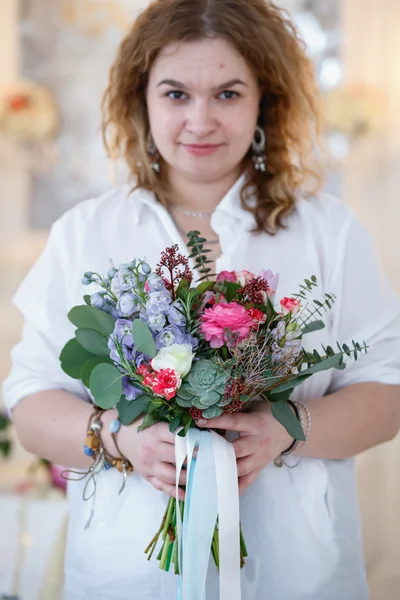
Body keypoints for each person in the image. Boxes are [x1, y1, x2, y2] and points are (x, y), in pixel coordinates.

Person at [3, 1, 400, 598]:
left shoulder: (327, 231)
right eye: (176, 94)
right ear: (142, 99)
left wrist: (287, 429)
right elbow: (29, 399)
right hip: (126, 576)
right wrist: (117, 438)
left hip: (295, 574)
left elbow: (388, 390)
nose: (201, 121)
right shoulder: (86, 232)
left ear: (266, 99)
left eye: (228, 94)